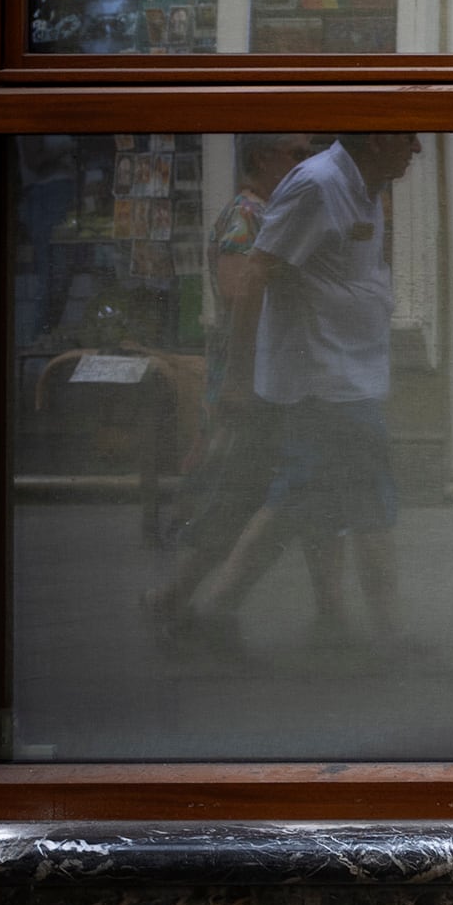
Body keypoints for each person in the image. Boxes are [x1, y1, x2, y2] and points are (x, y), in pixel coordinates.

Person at [184, 133, 424, 652]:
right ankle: (392, 634)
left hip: (346, 375)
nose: (418, 148)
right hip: (325, 380)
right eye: (407, 136)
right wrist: (238, 379)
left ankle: (214, 612)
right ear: (373, 140)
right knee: (368, 504)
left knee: (296, 501)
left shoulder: (364, 188)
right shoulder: (318, 186)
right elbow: (254, 276)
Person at [144, 135, 320, 630]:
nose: (305, 163)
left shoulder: (269, 211)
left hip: (269, 373)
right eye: (297, 154)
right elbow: (237, 292)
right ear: (262, 157)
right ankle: (178, 595)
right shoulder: (247, 214)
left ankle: (181, 594)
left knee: (264, 489)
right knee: (241, 487)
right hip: (253, 375)